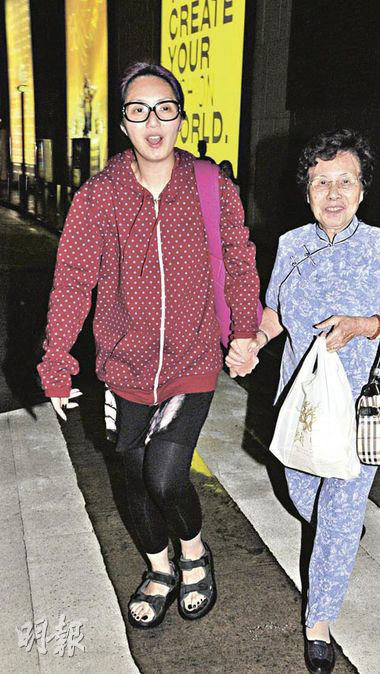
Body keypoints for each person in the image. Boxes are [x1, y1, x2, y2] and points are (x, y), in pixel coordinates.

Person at [38, 62, 260, 629]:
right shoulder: (99, 196)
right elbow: (72, 280)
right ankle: (159, 568)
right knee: (132, 474)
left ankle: (193, 555)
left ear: (181, 118)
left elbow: (239, 260)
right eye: (138, 111)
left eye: (164, 109)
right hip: (124, 366)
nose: (153, 122)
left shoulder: (211, 186)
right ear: (123, 123)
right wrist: (57, 358)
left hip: (192, 358)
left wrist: (244, 329)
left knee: (164, 476)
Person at [226, 129, 380, 673]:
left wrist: (365, 325)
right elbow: (274, 313)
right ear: (307, 190)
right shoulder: (292, 245)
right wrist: (254, 342)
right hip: (301, 405)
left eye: (345, 181)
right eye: (321, 183)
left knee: (338, 514)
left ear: (362, 189)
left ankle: (319, 621)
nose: (333, 194)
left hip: (360, 409)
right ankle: (339, 529)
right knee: (301, 494)